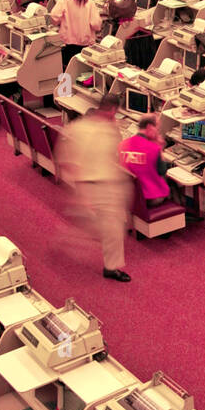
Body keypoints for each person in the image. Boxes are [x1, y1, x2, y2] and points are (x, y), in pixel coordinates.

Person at [57, 95, 131, 282]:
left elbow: (65, 160)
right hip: (96, 184)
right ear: (113, 110)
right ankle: (65, 242)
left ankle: (111, 267)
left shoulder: (77, 127)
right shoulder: (103, 130)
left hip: (102, 183)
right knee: (101, 227)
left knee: (112, 229)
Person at [50, 0, 102, 69]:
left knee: (66, 69)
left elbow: (54, 17)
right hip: (84, 46)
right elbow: (96, 25)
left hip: (67, 44)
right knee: (79, 71)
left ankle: (65, 85)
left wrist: (60, 23)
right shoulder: (89, 3)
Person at [119, 114, 172, 206]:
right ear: (150, 127)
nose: (157, 132)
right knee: (172, 184)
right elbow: (162, 171)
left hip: (129, 196)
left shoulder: (122, 145)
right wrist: (160, 149)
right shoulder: (153, 148)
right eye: (157, 128)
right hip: (149, 198)